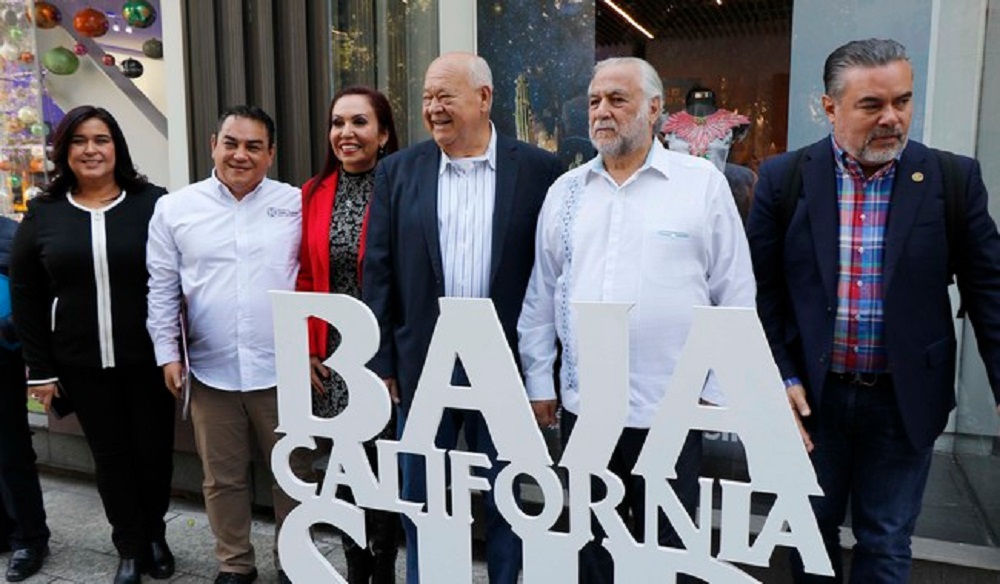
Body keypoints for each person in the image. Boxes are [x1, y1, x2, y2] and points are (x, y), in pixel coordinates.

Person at [747, 38, 1000, 583]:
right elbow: (760, 293)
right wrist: (780, 376)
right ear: (829, 106)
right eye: (872, 105)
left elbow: (990, 292)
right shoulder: (784, 179)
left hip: (903, 400)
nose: (892, 118)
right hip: (812, 401)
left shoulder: (952, 179)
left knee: (886, 542)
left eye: (902, 101)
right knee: (810, 536)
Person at [518, 57, 755, 583]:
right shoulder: (566, 192)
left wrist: (714, 391)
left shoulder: (700, 185)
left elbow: (735, 291)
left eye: (617, 99)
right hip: (586, 409)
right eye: (594, 101)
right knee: (591, 549)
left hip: (670, 410)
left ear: (653, 109)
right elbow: (542, 294)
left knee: (668, 554)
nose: (601, 111)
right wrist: (539, 381)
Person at [362, 52, 563, 584]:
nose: (433, 108)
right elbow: (379, 271)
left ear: (484, 97)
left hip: (505, 365)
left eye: (445, 96)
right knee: (420, 494)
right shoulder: (398, 171)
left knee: (507, 497)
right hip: (422, 365)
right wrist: (383, 361)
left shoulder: (539, 171)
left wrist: (544, 369)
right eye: (427, 97)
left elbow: (553, 275)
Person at [9, 105, 175, 584]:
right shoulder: (44, 213)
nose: (91, 150)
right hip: (80, 363)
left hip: (150, 361)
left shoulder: (154, 203)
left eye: (101, 139)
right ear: (65, 151)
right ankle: (129, 546)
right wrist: (40, 370)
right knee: (111, 457)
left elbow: (178, 278)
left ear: (116, 146)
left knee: (153, 453)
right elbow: (26, 294)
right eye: (79, 141)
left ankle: (155, 534)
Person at [146, 105, 304, 584]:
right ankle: (235, 564)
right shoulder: (175, 209)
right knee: (221, 478)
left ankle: (294, 560)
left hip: (284, 370)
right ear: (213, 144)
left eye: (254, 146)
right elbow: (162, 287)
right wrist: (167, 354)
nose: (240, 155)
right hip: (210, 370)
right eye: (231, 143)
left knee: (293, 475)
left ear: (271, 153)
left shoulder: (296, 204)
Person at [297, 86, 401, 583]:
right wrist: (308, 349)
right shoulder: (313, 192)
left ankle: (385, 566)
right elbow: (304, 276)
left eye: (359, 122)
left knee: (386, 468)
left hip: (387, 360)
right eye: (338, 123)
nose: (346, 133)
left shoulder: (401, 185)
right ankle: (356, 568)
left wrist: (392, 361)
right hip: (335, 360)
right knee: (346, 467)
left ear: (383, 134)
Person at [0, 216, 50, 583]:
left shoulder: (11, 233)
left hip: (3, 355)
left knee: (9, 449)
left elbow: (38, 291)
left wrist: (9, 328)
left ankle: (29, 538)